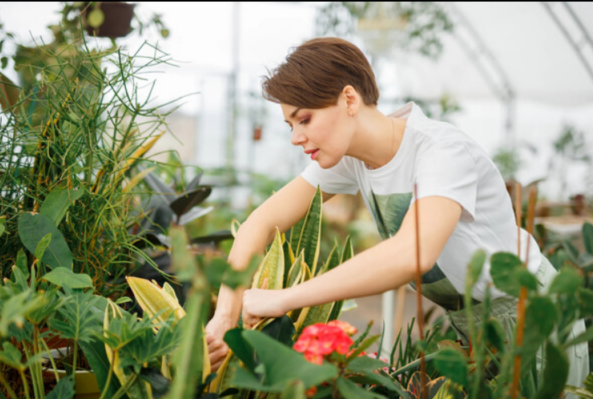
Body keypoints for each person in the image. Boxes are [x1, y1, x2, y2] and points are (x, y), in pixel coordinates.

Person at [204, 37, 589, 389]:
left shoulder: (441, 150)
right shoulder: (350, 160)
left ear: (349, 100)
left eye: (305, 119)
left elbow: (412, 253)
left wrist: (282, 298)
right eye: (290, 124)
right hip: (471, 324)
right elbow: (259, 222)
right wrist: (224, 315)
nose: (295, 137)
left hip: (531, 315)